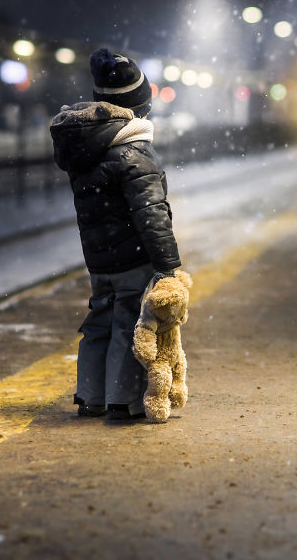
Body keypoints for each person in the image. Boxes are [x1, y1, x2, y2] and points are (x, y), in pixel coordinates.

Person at [50, 48, 182, 421]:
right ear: (138, 107)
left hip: (98, 256)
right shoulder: (135, 151)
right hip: (133, 255)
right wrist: (168, 265)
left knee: (98, 322)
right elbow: (151, 213)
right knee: (130, 323)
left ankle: (90, 396)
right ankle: (122, 401)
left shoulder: (87, 146)